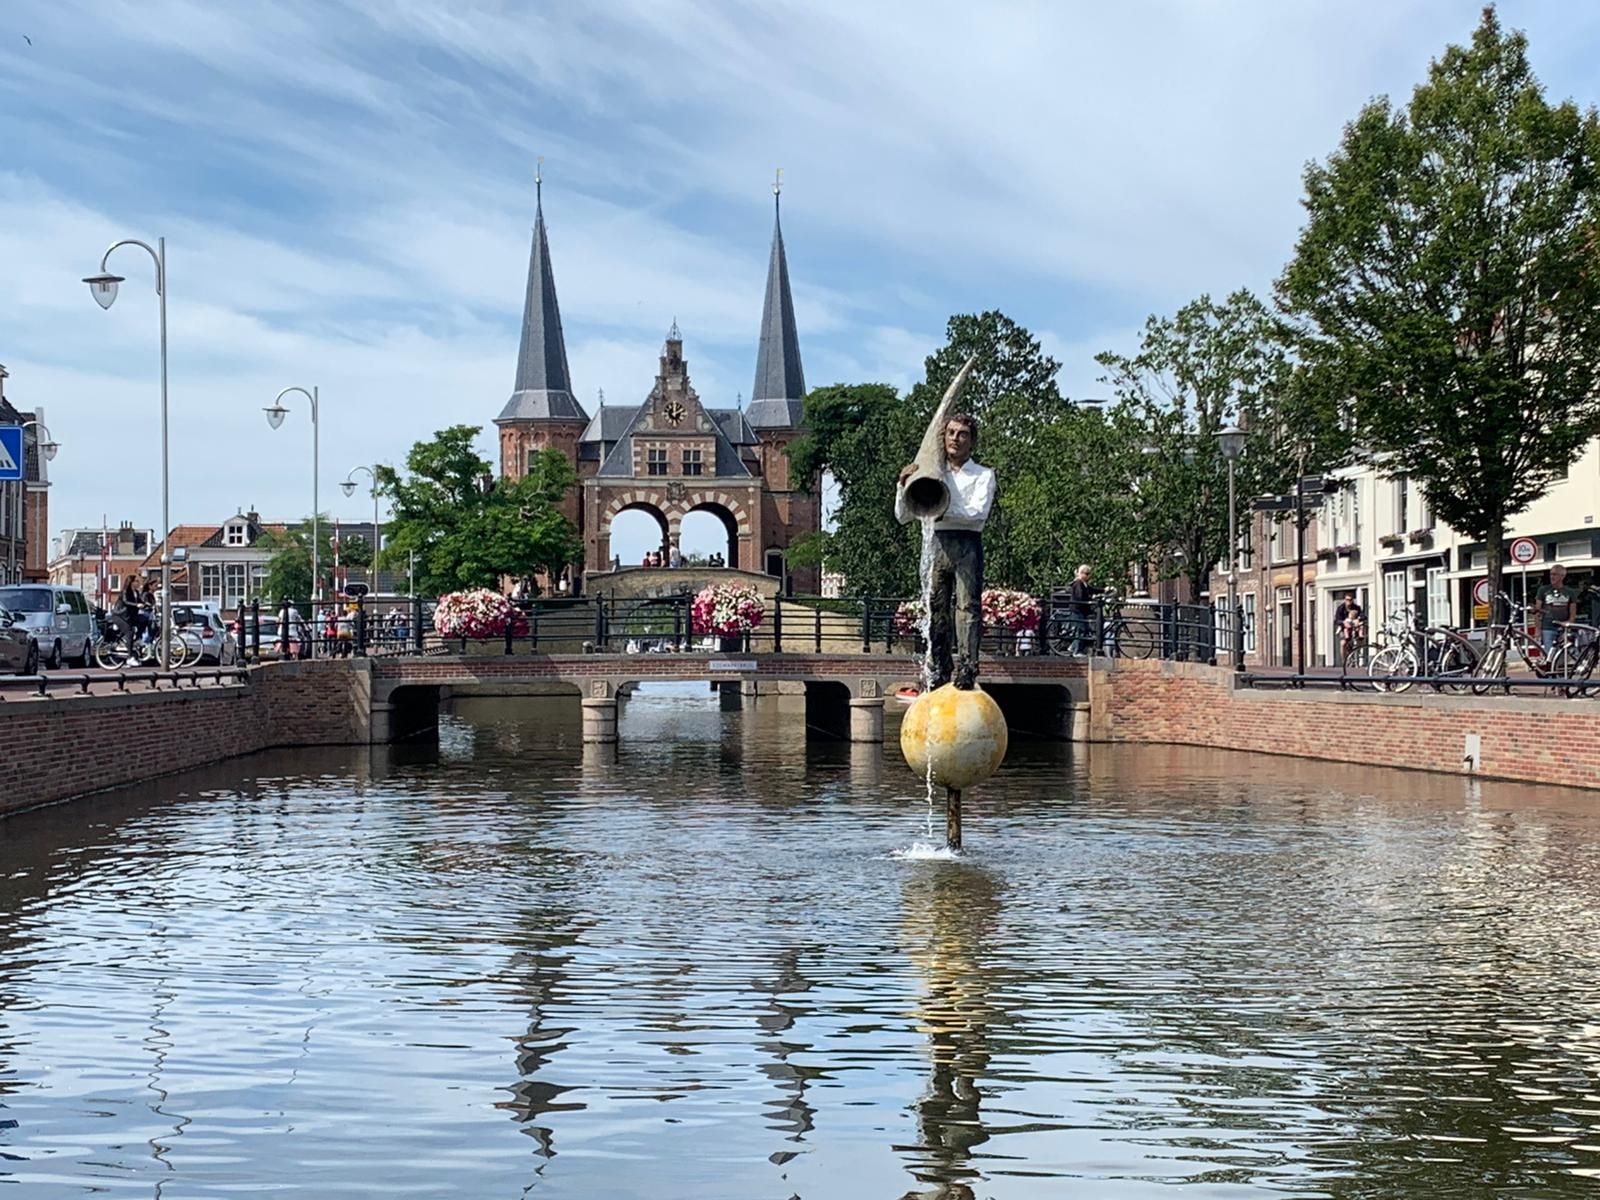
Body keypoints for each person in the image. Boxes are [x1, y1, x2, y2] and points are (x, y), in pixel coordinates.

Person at [895, 411, 996, 689]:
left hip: (967, 543)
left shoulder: (984, 474)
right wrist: (903, 485)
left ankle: (968, 666)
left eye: (962, 434)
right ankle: (939, 666)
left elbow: (977, 514)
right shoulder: (932, 469)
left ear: (972, 441)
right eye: (951, 433)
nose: (955, 439)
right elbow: (903, 516)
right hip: (937, 542)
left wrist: (940, 506)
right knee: (936, 607)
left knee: (968, 607)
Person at [1535, 563, 1578, 656]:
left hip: (1563, 628)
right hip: (1547, 627)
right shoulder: (1543, 590)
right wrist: (1537, 629)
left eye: (1555, 574)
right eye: (1551, 574)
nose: (1552, 577)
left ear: (1562, 576)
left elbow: (1573, 613)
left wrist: (1568, 625)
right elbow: (1537, 611)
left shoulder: (1570, 592)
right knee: (1549, 654)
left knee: (1563, 654)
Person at [1067, 564, 1097, 655]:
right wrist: (1090, 598)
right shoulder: (1078, 583)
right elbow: (1079, 596)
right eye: (1087, 574)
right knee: (1081, 629)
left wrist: (1105, 590)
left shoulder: (1084, 584)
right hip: (1077, 609)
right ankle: (1077, 651)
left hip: (1082, 610)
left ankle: (1073, 647)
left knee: (1085, 629)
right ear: (1082, 573)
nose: (1088, 576)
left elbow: (1093, 589)